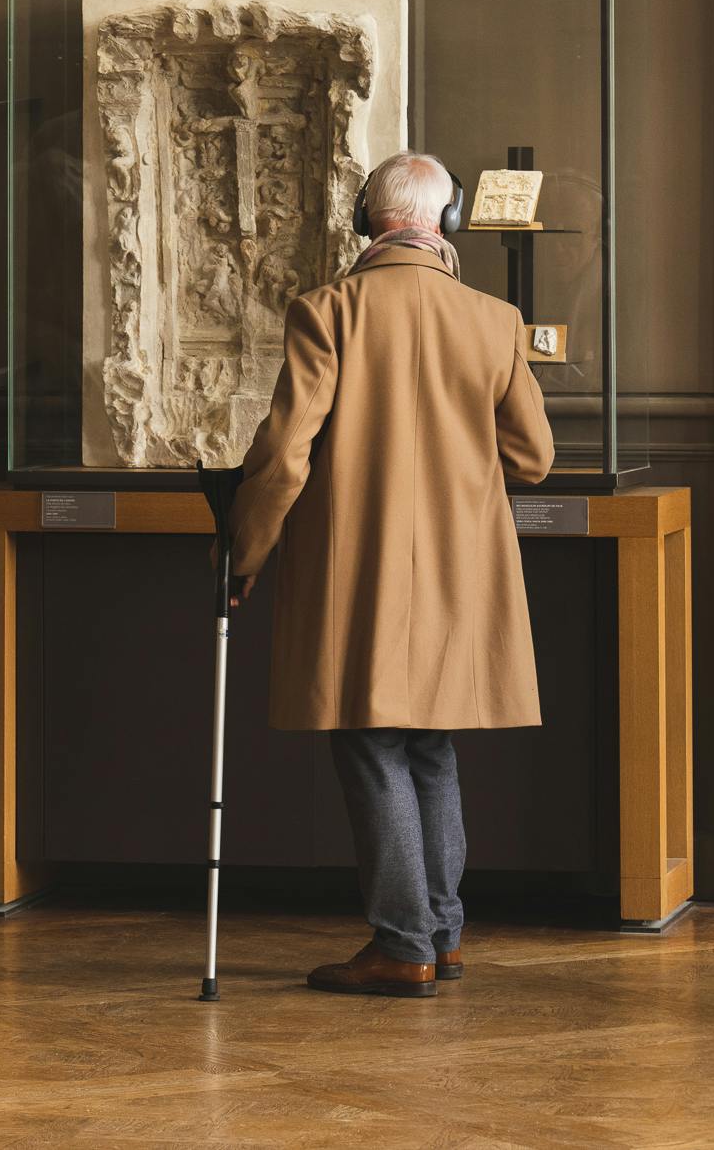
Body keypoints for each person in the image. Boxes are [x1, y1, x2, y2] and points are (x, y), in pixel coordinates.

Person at [223, 151, 554, 998]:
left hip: (358, 571)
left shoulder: (327, 311)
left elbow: (284, 456)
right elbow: (534, 457)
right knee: (430, 745)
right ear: (446, 222)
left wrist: (243, 552)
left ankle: (404, 943)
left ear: (365, 221)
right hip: (457, 575)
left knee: (371, 743)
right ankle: (441, 934)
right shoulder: (494, 318)